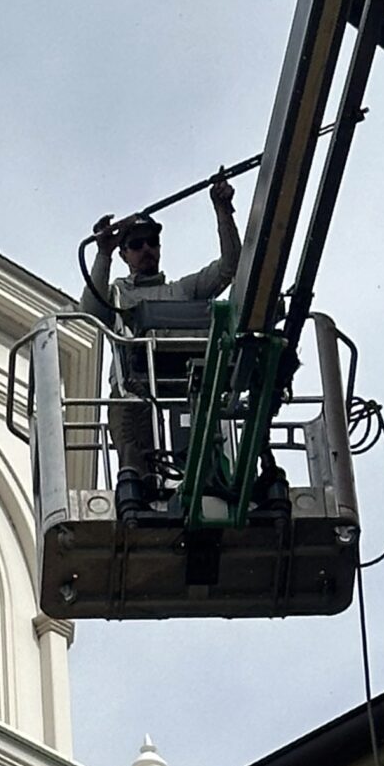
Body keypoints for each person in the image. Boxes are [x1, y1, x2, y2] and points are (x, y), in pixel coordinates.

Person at [84, 176, 239, 522]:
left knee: (203, 440)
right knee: (131, 438)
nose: (146, 250)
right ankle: (135, 500)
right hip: (135, 391)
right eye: (136, 244)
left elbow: (229, 267)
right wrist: (102, 253)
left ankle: (211, 484)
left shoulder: (182, 291)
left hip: (185, 389)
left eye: (152, 242)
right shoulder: (118, 296)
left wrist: (223, 211)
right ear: (125, 254)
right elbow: (91, 313)